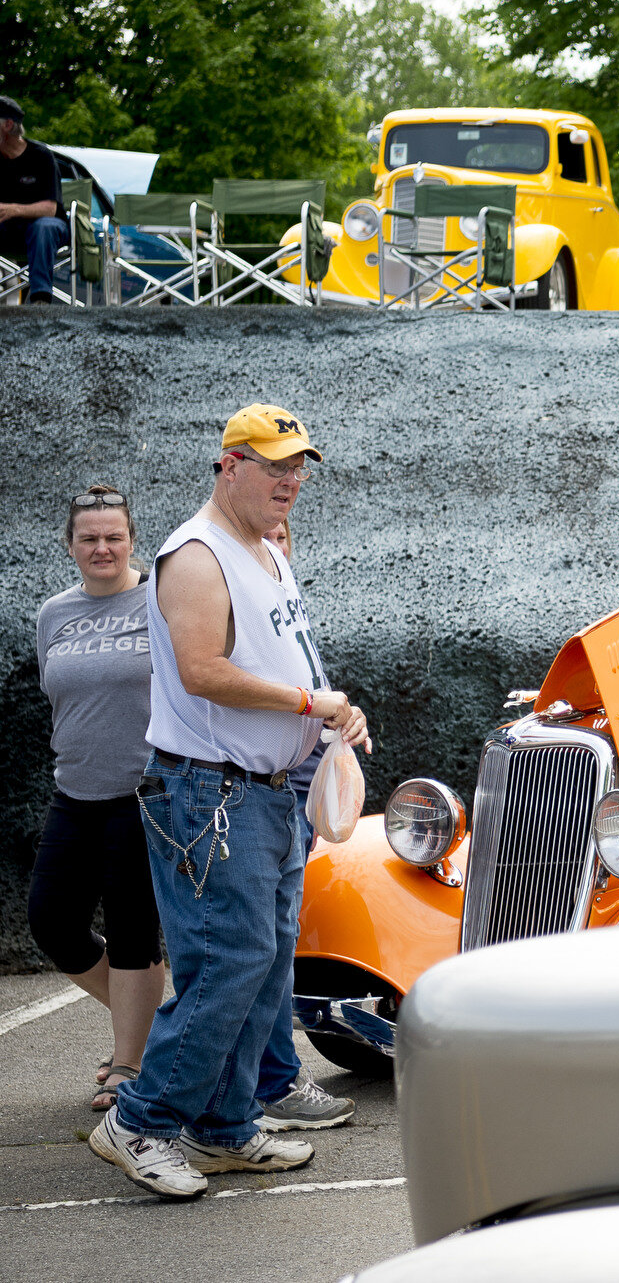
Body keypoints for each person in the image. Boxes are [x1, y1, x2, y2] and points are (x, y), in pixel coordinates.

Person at [92, 403, 372, 1201]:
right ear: (229, 466)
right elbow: (201, 671)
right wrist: (307, 706)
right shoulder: (196, 555)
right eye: (274, 464)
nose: (291, 479)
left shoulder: (262, 551)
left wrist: (332, 718)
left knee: (262, 962)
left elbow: (290, 655)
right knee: (232, 964)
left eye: (298, 466)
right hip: (209, 793)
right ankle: (140, 1120)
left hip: (260, 793)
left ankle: (221, 1127)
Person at [31, 486, 164, 1113]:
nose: (102, 547)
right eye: (89, 538)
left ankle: (131, 1062)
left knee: (135, 931)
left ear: (132, 540)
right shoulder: (54, 614)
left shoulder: (160, 600)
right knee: (51, 919)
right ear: (71, 546)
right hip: (74, 791)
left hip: (144, 792)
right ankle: (157, 1027)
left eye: (114, 536)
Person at [252, 516, 356, 1131]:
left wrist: (345, 718)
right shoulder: (240, 607)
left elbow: (313, 701)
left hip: (290, 797)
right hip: (258, 796)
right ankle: (268, 1084)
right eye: (263, 537)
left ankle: (267, 1081)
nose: (274, 545)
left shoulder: (287, 610)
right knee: (252, 953)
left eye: (284, 536)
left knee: (270, 949)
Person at [0, 96, 67, 305]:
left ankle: (40, 300)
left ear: (7, 125)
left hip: (45, 229)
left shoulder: (41, 156)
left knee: (44, 226)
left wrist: (13, 209)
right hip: (7, 230)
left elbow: (50, 209)